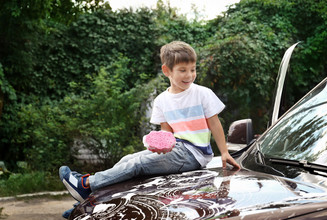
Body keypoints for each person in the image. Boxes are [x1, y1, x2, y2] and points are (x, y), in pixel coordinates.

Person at [59, 41, 240, 204]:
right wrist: (160, 147)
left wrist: (224, 152)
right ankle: (91, 199)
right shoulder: (161, 100)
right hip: (177, 149)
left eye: (193, 69)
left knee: (138, 165)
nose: (190, 75)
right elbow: (167, 136)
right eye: (183, 70)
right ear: (166, 71)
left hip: (194, 154)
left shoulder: (202, 93)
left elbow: (214, 123)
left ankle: (87, 184)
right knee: (128, 159)